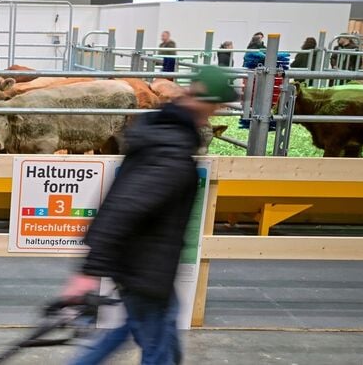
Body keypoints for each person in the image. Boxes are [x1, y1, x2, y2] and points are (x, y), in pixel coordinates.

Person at [62, 66, 239, 365]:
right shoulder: (170, 149)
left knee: (140, 331)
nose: (217, 113)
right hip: (144, 268)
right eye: (217, 106)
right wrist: (89, 273)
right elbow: (124, 207)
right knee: (160, 351)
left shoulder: (165, 132)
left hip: (147, 266)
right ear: (204, 101)